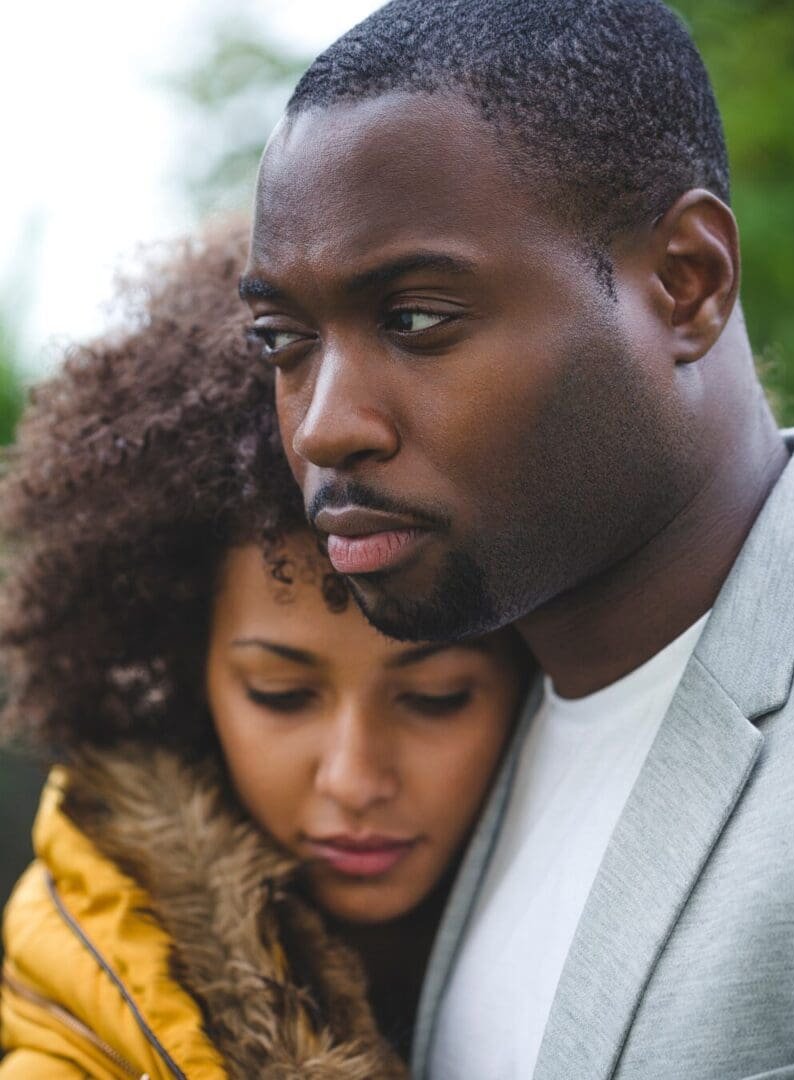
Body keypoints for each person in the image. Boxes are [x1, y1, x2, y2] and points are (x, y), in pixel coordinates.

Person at [242, 1, 794, 1077]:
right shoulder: (459, 730)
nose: (326, 423)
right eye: (284, 340)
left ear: (687, 282)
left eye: (416, 319)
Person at [0, 223, 530, 1078]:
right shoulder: (85, 1000)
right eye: (280, 694)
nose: (354, 780)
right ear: (186, 666)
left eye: (435, 697)